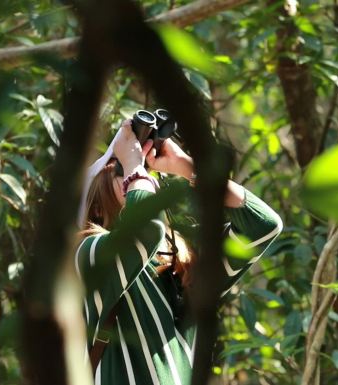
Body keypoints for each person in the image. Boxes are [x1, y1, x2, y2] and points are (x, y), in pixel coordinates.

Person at [75, 119, 283, 385]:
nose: (136, 175)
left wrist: (186, 166)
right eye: (118, 171)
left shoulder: (181, 264)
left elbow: (263, 225)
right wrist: (135, 167)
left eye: (144, 173)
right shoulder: (86, 256)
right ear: (95, 208)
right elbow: (146, 231)